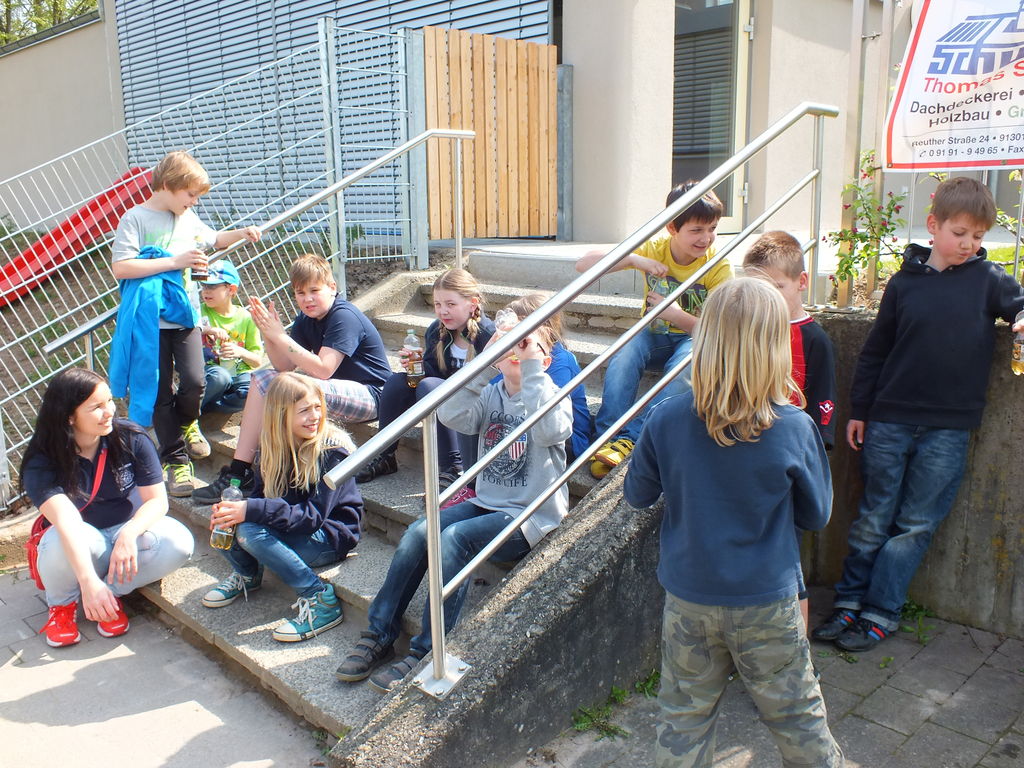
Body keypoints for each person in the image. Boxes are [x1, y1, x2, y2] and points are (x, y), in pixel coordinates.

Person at [623, 278, 842, 768]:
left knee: (683, 717)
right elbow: (817, 514)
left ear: (705, 340)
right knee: (797, 717)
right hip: (767, 601)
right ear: (775, 346)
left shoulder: (665, 418)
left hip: (689, 598)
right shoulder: (794, 426)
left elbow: (637, 495)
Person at [813, 176, 1024, 652]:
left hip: (948, 428)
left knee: (915, 524)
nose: (969, 244)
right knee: (873, 516)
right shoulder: (903, 283)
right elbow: (875, 351)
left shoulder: (989, 280)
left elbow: (1020, 304)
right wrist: (860, 410)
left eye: (978, 235)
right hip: (888, 420)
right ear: (933, 225)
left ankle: (880, 610)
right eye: (959, 232)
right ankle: (848, 601)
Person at [335, 324, 572, 693]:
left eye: (528, 345)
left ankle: (428, 651)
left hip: (529, 515)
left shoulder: (555, 394)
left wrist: (530, 368)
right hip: (486, 501)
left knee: (453, 538)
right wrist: (485, 364)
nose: (517, 349)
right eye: (511, 343)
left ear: (545, 360)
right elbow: (451, 415)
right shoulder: (491, 393)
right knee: (420, 530)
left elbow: (551, 431)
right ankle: (379, 632)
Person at [109, 150, 261, 498]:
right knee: (160, 392)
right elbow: (122, 267)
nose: (194, 202)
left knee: (195, 381)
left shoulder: (188, 218)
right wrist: (175, 261)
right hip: (150, 323)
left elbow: (215, 239)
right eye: (190, 194)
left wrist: (242, 232)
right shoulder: (135, 218)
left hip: (186, 317)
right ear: (168, 185)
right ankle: (176, 461)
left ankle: (188, 421)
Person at [192, 253, 391, 505]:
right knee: (262, 378)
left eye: (314, 290)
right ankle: (240, 472)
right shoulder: (306, 319)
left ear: (332, 287)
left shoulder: (344, 316)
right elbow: (283, 367)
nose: (307, 299)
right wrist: (269, 334)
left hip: (374, 395)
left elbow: (323, 369)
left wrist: (280, 336)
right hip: (334, 391)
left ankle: (251, 473)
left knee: (288, 387)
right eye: (300, 293)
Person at [19, 368, 195, 647]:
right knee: (56, 541)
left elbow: (157, 501)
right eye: (96, 407)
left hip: (123, 531)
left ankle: (107, 596)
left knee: (179, 542)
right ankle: (62, 606)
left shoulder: (131, 437)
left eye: (109, 401)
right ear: (69, 416)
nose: (109, 411)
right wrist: (88, 580)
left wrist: (129, 534)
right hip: (80, 541)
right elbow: (68, 523)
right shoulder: (43, 459)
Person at [574, 181, 731, 479]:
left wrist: (674, 314)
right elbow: (584, 264)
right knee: (626, 350)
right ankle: (607, 437)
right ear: (672, 227)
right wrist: (634, 259)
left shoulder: (718, 266)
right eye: (696, 230)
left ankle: (631, 438)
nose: (706, 238)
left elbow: (716, 333)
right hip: (653, 337)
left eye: (712, 228)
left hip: (693, 338)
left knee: (688, 363)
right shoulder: (656, 249)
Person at [201, 372, 362, 642]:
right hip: (294, 528)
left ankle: (319, 598)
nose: (315, 416)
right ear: (281, 415)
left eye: (317, 407)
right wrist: (234, 513)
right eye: (304, 411)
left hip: (329, 537)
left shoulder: (333, 453)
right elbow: (263, 498)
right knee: (226, 519)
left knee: (249, 529)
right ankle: (247, 574)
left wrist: (250, 510)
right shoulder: (272, 449)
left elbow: (311, 518)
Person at [744, 230, 837, 632]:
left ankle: (797, 647)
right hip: (749, 462)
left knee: (788, 564)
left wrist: (808, 465)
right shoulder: (748, 333)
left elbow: (824, 408)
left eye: (776, 287)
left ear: (800, 282)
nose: (766, 298)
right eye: (757, 289)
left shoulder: (815, 339)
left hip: (789, 469)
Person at [355, 268, 495, 488]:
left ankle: (453, 467)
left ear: (472, 303)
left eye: (450, 304)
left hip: (475, 404)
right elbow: (434, 373)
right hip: (446, 396)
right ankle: (384, 455)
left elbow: (495, 382)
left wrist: (429, 380)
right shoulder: (436, 331)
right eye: (438, 304)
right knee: (397, 382)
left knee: (430, 387)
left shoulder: (488, 334)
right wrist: (417, 365)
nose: (443, 311)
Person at [198, 260, 264, 414]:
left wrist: (240, 352)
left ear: (231, 289)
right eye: (204, 286)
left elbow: (257, 360)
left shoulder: (246, 318)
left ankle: (209, 408)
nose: (206, 291)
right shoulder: (199, 312)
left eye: (212, 286)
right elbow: (187, 329)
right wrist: (208, 329)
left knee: (252, 393)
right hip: (211, 374)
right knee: (220, 377)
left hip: (239, 373)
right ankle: (189, 411)